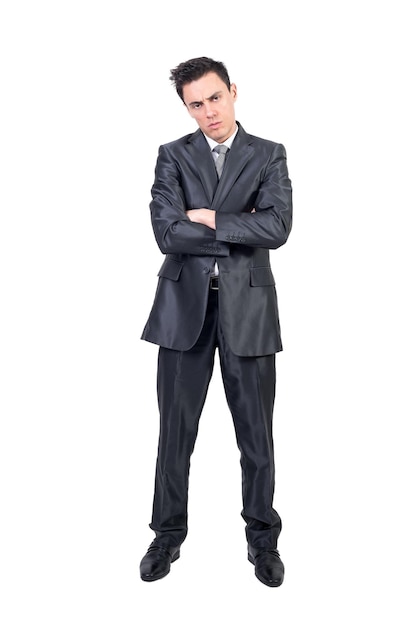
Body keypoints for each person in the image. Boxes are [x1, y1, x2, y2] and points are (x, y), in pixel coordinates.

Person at [139, 57, 292, 587]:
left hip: (248, 314)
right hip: (184, 313)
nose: (208, 112)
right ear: (186, 107)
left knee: (256, 436)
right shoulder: (172, 156)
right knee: (174, 434)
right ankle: (167, 534)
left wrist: (205, 217)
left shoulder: (269, 154)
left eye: (214, 98)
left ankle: (263, 540)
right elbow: (166, 233)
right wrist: (238, 226)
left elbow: (276, 228)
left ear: (233, 91)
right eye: (195, 104)